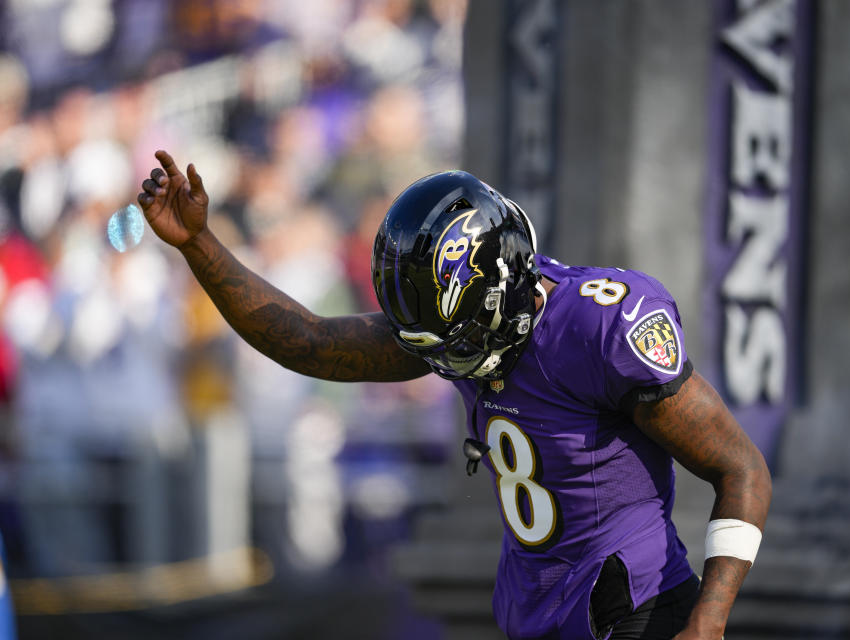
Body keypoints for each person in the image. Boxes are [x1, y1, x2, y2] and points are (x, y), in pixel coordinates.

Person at [137, 150, 771, 640]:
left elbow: (741, 469)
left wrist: (707, 623)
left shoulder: (600, 327)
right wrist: (199, 244)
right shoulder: (459, 321)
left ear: (502, 288)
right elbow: (309, 342)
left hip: (639, 610)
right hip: (539, 613)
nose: (449, 362)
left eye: (456, 341)